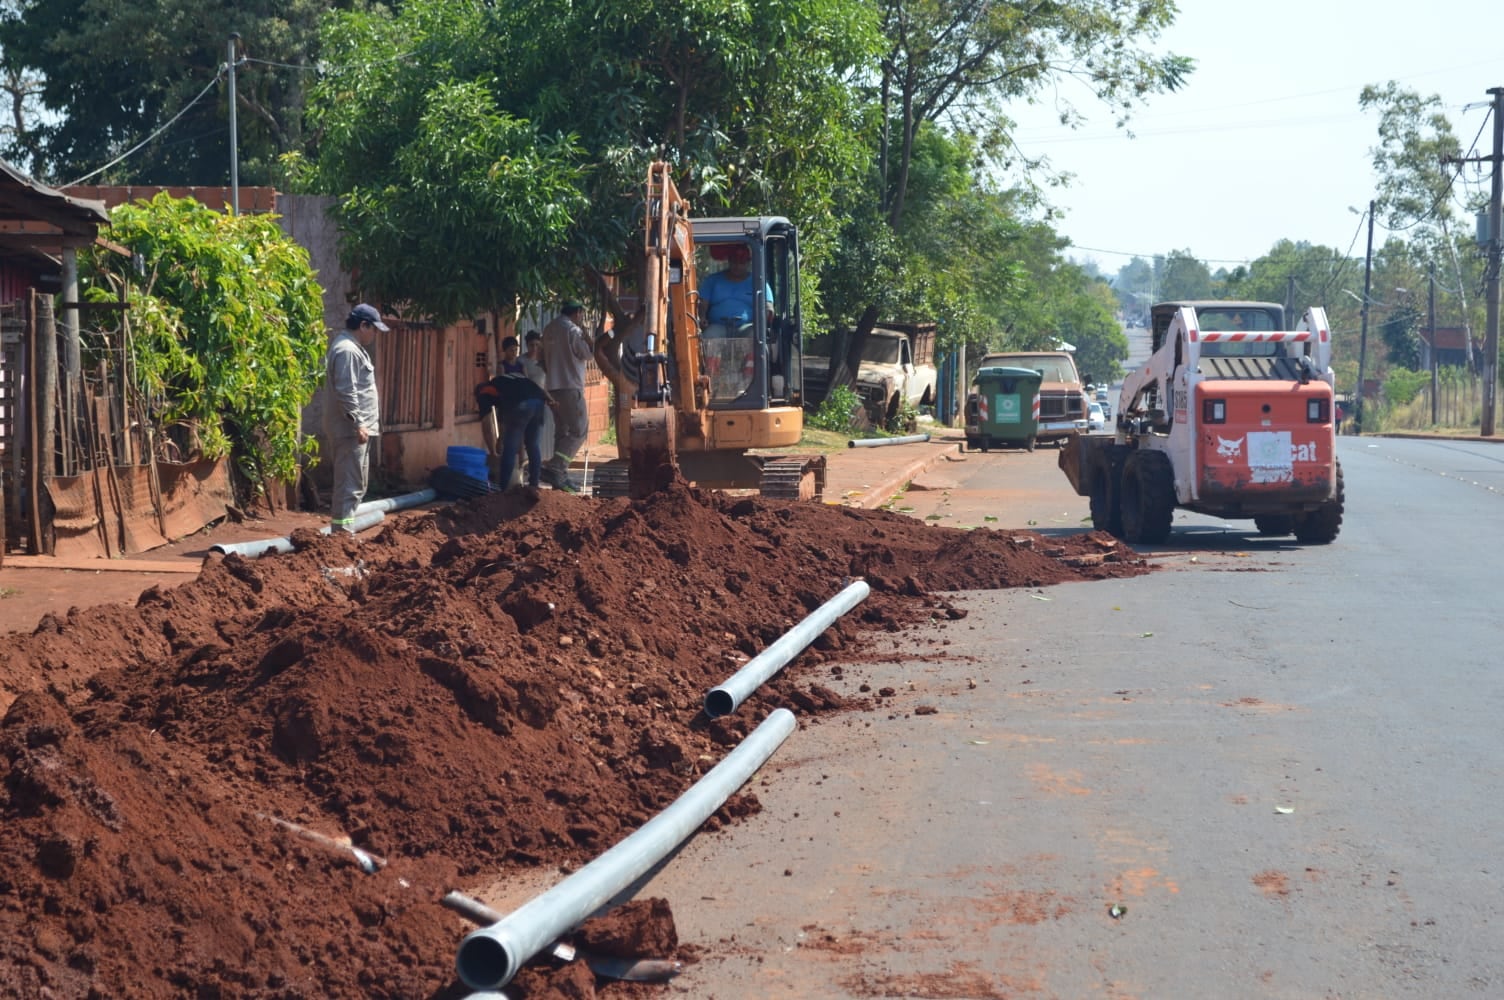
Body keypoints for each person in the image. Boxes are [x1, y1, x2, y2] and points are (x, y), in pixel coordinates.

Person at [323, 303, 388, 532]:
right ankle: (342, 537)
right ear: (363, 325)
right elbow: (346, 390)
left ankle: (343, 534)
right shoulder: (347, 351)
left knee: (355, 485)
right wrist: (359, 423)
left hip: (356, 431)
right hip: (350, 431)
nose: (375, 334)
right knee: (349, 486)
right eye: (374, 329)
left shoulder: (352, 348)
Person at [475, 366, 559, 500]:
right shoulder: (508, 380)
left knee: (510, 447)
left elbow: (487, 425)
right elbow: (539, 389)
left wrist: (492, 452)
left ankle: (502, 491)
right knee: (533, 445)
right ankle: (534, 485)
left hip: (521, 405)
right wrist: (551, 401)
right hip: (538, 403)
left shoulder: (484, 392)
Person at [540, 302, 593, 492]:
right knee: (579, 431)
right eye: (581, 315)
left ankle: (559, 478)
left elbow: (541, 359)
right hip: (571, 387)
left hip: (553, 387)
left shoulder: (548, 329)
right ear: (577, 313)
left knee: (562, 432)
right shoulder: (573, 330)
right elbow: (588, 354)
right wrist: (588, 337)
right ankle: (556, 466)